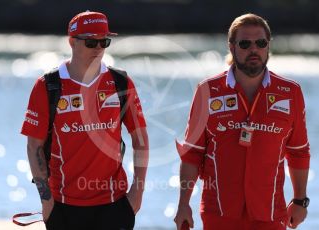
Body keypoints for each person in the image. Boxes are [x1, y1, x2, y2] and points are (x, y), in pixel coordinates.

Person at [174, 13, 310, 230]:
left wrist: (300, 200)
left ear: (268, 46)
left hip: (270, 214)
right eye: (245, 44)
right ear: (231, 47)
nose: (253, 49)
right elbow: (192, 153)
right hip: (219, 213)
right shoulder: (208, 91)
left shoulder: (290, 92)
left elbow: (299, 151)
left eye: (260, 43)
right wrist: (183, 204)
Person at [21, 10, 149, 230]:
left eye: (104, 42)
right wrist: (46, 201)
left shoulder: (120, 82)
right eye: (91, 42)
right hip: (63, 206)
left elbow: (141, 140)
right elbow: (34, 146)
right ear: (72, 42)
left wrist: (137, 193)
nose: (99, 48)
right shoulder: (48, 85)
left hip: (114, 204)